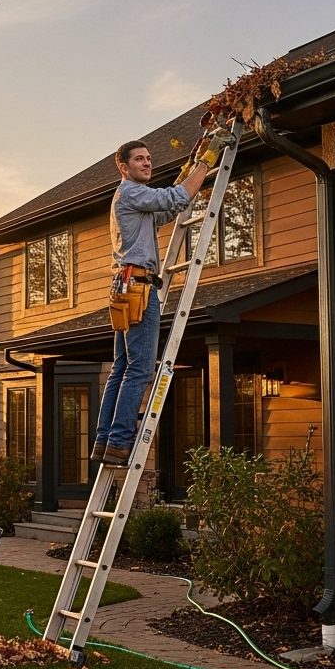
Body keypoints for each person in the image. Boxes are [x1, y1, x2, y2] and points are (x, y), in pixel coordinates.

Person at [91, 132, 233, 466]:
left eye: (148, 158)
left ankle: (104, 441)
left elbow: (166, 212)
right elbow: (178, 198)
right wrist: (206, 161)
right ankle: (120, 441)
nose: (147, 162)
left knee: (122, 367)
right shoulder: (131, 192)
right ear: (123, 168)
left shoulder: (133, 199)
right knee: (140, 369)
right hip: (139, 288)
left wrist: (187, 174)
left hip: (126, 286)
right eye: (139, 159)